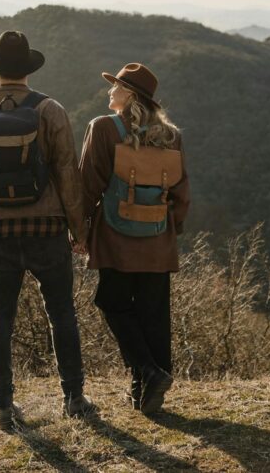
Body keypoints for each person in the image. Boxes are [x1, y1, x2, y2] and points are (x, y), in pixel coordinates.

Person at [0, 30, 95, 432]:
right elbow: (68, 174)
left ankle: (3, 406)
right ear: (28, 70)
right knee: (61, 314)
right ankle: (74, 398)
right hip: (47, 229)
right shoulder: (50, 110)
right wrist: (77, 229)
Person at [75, 63, 190, 414]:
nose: (110, 91)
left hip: (115, 235)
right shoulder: (172, 135)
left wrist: (79, 232)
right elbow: (181, 193)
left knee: (112, 302)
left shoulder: (103, 128)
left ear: (130, 95)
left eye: (116, 87)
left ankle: (148, 372)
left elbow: (88, 185)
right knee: (153, 313)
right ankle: (146, 393)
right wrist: (171, 230)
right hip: (158, 236)